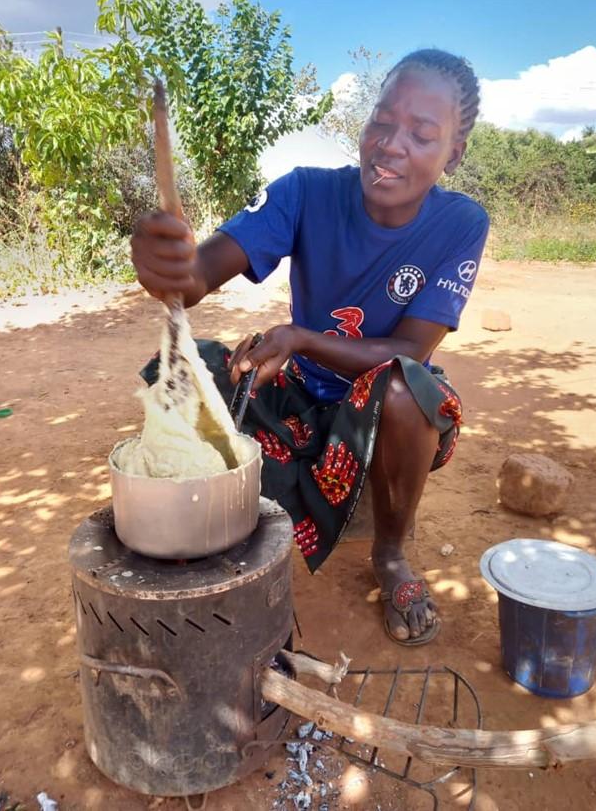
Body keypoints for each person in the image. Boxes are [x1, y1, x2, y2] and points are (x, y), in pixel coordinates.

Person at [131, 48, 489, 646]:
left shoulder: (461, 224)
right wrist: (165, 262)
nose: (391, 143)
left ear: (453, 152)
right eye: (381, 120)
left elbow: (410, 348)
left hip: (385, 413)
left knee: (405, 388)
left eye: (422, 134)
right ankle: (211, 522)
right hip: (303, 397)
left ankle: (392, 553)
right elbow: (196, 278)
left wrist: (299, 339)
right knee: (187, 373)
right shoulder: (304, 193)